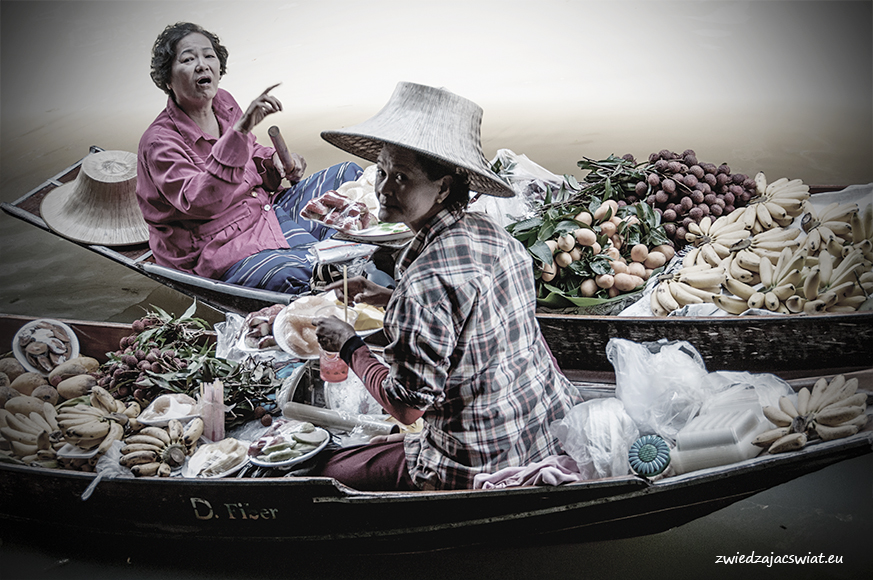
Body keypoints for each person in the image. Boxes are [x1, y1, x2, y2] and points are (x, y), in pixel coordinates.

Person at [311, 82, 583, 491]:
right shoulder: (491, 232)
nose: (384, 189)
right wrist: (389, 297)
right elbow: (470, 315)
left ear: (444, 187)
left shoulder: (424, 283)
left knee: (331, 468)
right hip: (544, 426)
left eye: (401, 177)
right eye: (382, 172)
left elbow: (406, 408)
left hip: (475, 459)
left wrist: (350, 344)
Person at [136, 22, 362, 294]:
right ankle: (331, 254)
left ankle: (339, 249)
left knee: (347, 176)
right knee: (298, 272)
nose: (202, 65)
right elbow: (202, 202)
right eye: (187, 59)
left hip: (263, 209)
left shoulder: (224, 102)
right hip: (217, 244)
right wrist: (240, 130)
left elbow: (252, 152)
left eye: (209, 56)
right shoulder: (160, 142)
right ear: (168, 80)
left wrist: (273, 162)